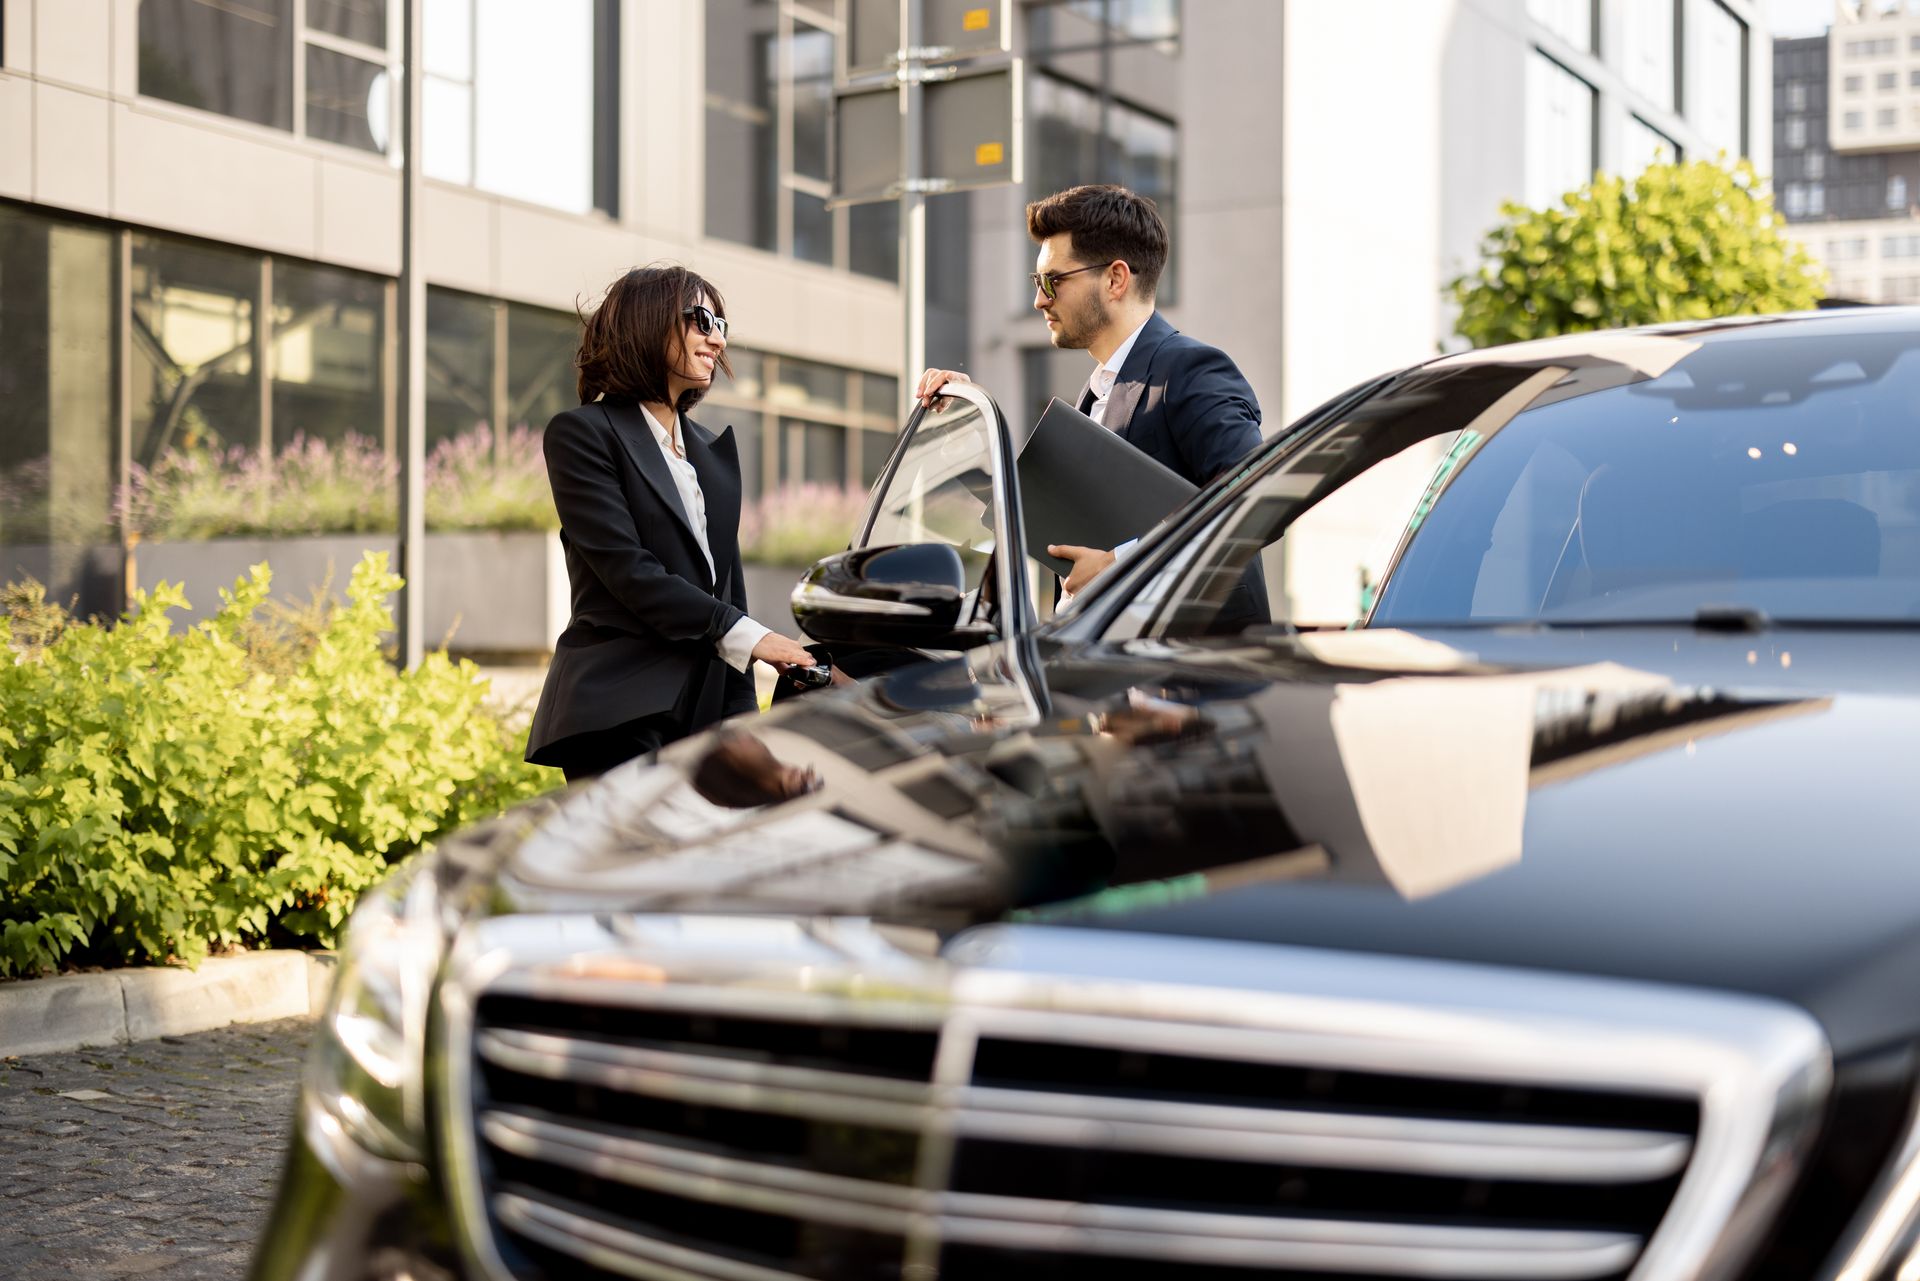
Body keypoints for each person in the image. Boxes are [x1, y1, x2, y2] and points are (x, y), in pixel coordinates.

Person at [525, 265, 816, 782]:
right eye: (701, 319)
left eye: (721, 325)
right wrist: (751, 636)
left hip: (704, 719)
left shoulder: (710, 452)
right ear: (648, 323)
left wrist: (742, 730)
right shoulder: (583, 434)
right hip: (617, 710)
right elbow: (628, 571)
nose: (716, 338)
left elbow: (730, 594)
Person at [916, 184, 1265, 603]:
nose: (1038, 300)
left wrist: (1121, 563)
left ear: (1115, 279)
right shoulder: (1095, 393)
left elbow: (1255, 503)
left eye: (1053, 280)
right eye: (1037, 280)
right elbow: (1039, 514)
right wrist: (968, 428)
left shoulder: (1192, 370)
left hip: (1188, 663)